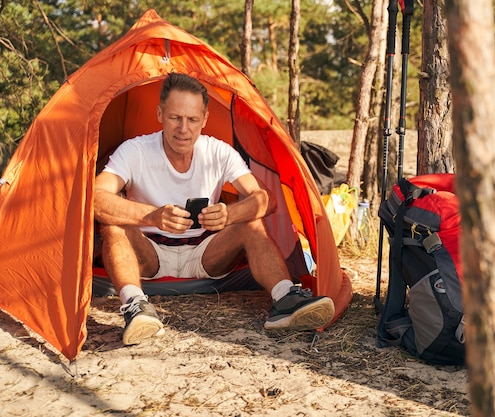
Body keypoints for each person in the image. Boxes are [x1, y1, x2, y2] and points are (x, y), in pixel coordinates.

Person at [94, 72, 335, 345]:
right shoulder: (134, 150)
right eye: (175, 118)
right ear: (160, 113)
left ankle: (285, 298)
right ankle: (136, 306)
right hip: (149, 255)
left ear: (205, 119)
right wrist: (152, 216)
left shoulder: (219, 152)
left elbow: (266, 199)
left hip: (205, 253)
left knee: (250, 220)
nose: (183, 129)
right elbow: (95, 198)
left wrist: (230, 214)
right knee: (114, 221)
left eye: (193, 119)